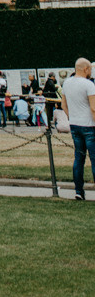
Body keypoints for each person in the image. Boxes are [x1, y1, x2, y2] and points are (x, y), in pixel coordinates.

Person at [61, 58, 95, 200]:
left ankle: (79, 191)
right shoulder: (89, 85)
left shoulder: (67, 83)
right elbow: (93, 108)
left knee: (79, 159)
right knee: (94, 159)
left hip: (75, 125)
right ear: (86, 69)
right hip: (90, 125)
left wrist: (72, 117)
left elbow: (63, 105)